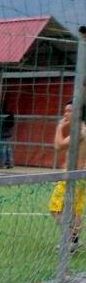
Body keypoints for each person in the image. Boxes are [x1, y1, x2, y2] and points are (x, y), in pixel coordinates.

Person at [50, 100, 86, 251]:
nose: (66, 114)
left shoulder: (80, 131)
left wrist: (59, 127)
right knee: (75, 210)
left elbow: (58, 146)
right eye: (65, 110)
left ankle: (70, 240)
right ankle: (74, 241)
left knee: (55, 209)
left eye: (70, 111)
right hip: (80, 176)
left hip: (72, 177)